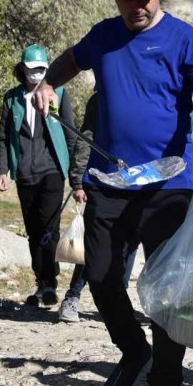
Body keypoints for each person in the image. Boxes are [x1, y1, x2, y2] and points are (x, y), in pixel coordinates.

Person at [33, 0, 193, 386]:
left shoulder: (185, 38)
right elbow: (70, 59)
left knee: (167, 293)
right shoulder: (104, 35)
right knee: (99, 275)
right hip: (110, 180)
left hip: (169, 182)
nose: (139, 6)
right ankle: (133, 351)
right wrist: (48, 85)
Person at [0, 44, 79, 307]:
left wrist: (77, 178)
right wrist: (2, 170)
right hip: (24, 174)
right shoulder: (12, 99)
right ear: (22, 69)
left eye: (42, 69)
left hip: (52, 171)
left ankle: (49, 283)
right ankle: (41, 283)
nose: (37, 74)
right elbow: (3, 137)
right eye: (32, 70)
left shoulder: (60, 94)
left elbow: (71, 135)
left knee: (49, 229)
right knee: (33, 231)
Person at [58, 92, 139, 323]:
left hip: (139, 181)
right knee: (96, 243)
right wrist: (77, 180)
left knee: (130, 244)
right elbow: (87, 139)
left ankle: (117, 303)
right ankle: (72, 297)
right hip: (104, 180)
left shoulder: (149, 93)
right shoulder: (101, 99)